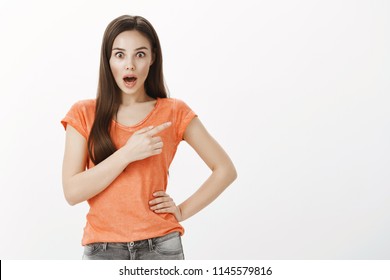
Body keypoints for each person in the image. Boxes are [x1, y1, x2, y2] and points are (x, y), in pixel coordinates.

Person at [61, 15, 237, 260]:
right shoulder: (83, 113)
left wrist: (181, 212)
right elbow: (72, 192)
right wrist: (127, 154)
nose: (130, 65)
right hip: (102, 250)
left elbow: (225, 170)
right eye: (120, 55)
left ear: (152, 58)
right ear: (108, 60)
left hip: (161, 247)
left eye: (140, 54)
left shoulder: (174, 112)